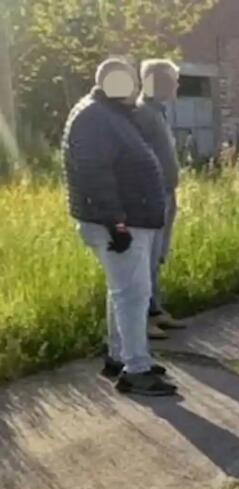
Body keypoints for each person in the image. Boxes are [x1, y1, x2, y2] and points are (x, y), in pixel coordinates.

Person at [64, 58, 175, 396]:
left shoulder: (108, 115)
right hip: (118, 222)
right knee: (133, 296)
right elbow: (94, 174)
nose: (136, 91)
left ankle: (119, 357)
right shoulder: (96, 118)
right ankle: (136, 369)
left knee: (122, 294)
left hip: (125, 220)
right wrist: (117, 224)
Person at [131, 59, 185, 339]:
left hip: (165, 193)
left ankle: (155, 310)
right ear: (158, 82)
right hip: (151, 196)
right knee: (147, 259)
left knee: (158, 256)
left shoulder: (158, 112)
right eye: (173, 81)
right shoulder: (142, 114)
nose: (177, 86)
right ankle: (143, 319)